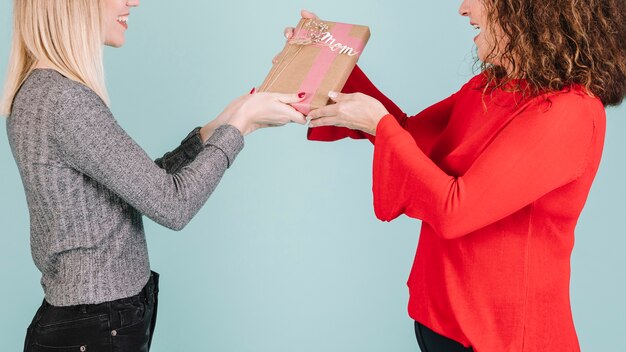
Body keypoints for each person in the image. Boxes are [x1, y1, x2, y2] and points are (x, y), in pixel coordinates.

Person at [287, 1, 626, 351]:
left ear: (531, 10)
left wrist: (378, 124)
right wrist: (327, 62)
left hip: (502, 340)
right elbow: (409, 136)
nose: (463, 8)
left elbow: (456, 211)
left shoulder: (570, 113)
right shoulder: (495, 86)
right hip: (442, 324)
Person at [1, 0, 307, 351]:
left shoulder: (42, 90)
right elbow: (173, 205)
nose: (133, 1)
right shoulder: (64, 100)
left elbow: (141, 186)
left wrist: (220, 126)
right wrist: (240, 127)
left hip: (93, 323)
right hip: (96, 329)